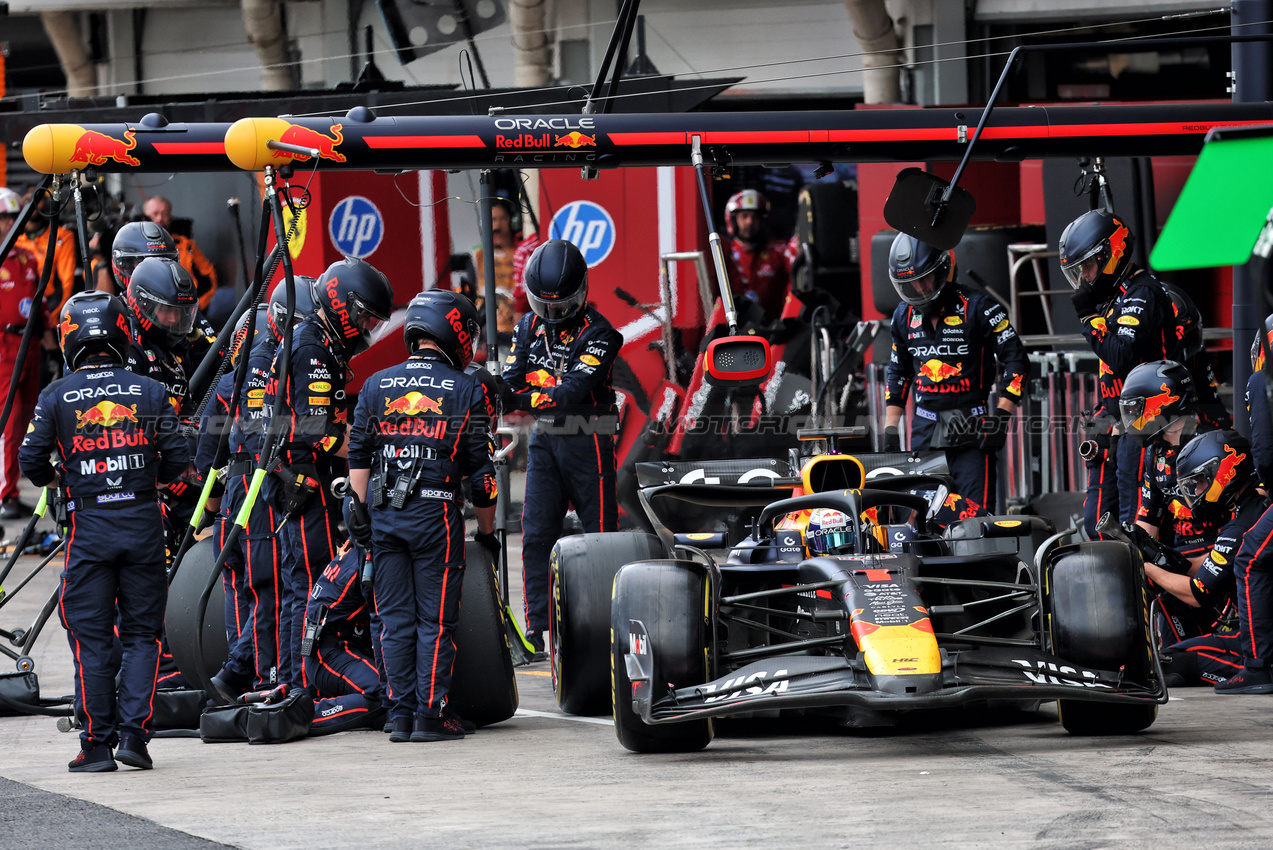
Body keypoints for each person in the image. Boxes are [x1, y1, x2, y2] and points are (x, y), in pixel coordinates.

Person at [19, 291, 189, 771]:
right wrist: (138, 479)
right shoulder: (150, 390)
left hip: (88, 528)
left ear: (70, 338)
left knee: (91, 638)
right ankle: (136, 740)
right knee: (142, 635)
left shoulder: (56, 396)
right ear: (121, 333)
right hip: (142, 523)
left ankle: (96, 746)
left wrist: (64, 479)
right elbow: (180, 461)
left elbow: (30, 463)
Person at [347, 289, 498, 742]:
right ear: (455, 332)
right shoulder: (467, 387)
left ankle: (400, 717)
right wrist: (487, 532)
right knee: (434, 622)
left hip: (384, 514)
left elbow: (358, 451)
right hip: (436, 516)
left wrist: (359, 510)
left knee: (393, 619)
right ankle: (430, 717)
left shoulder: (375, 383)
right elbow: (482, 475)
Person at [265, 259, 393, 691]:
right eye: (365, 317)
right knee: (309, 582)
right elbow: (318, 431)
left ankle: (293, 677)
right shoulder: (312, 347)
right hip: (300, 484)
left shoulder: (322, 342)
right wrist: (370, 451)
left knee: (304, 583)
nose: (367, 327)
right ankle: (301, 682)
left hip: (309, 480)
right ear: (343, 305)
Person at [497, 239, 622, 654]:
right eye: (544, 305)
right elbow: (509, 383)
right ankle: (536, 629)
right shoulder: (526, 327)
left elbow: (571, 391)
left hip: (590, 440)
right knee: (535, 535)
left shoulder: (603, 334)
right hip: (546, 442)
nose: (550, 315)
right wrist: (525, 395)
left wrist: (527, 396)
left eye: (560, 306)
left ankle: (610, 624)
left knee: (602, 537)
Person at [1060, 210, 1185, 537]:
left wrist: (1088, 318)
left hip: (1147, 421)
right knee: (1096, 523)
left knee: (1134, 523)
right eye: (1079, 271)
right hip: (1113, 418)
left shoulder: (1141, 292)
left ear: (1110, 255)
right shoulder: (1114, 297)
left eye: (1087, 267)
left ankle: (1148, 585)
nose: (1085, 279)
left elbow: (1118, 355)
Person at [883, 233, 1028, 514]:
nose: (919, 288)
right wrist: (890, 429)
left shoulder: (980, 307)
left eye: (925, 278)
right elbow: (898, 372)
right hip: (924, 432)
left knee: (976, 520)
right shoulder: (902, 316)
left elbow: (1016, 360)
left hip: (972, 429)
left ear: (943, 270)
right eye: (910, 283)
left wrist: (1000, 417)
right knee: (921, 519)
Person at [1157, 430, 1267, 687]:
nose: (1195, 491)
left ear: (1223, 471)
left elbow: (1197, 593)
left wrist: (1149, 569)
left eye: (1199, 481)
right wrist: (1169, 561)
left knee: (1169, 662)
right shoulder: (1255, 508)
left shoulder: (1240, 526)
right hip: (1260, 635)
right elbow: (1213, 563)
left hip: (1257, 645)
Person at [302, 540, 389, 736]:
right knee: (386, 699)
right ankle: (304, 712)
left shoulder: (354, 546)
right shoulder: (366, 559)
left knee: (395, 696)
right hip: (332, 652)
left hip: (343, 648)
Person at [0, 188, 46, 519]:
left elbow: (38, 302)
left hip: (29, 344)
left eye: (11, 217)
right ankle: (5, 495)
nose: (8, 223)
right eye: (3, 217)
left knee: (28, 417)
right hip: (2, 347)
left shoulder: (28, 257)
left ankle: (12, 490)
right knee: (9, 420)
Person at [723, 189, 790, 321]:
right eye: (744, 216)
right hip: (731, 328)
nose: (749, 222)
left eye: (755, 217)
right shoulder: (723, 252)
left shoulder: (780, 252)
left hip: (774, 330)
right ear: (732, 219)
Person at [143, 196, 219, 311]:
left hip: (183, 311)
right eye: (155, 214)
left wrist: (195, 309)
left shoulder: (185, 245)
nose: (159, 219)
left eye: (164, 214)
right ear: (144, 218)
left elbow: (210, 278)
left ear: (170, 217)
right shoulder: (132, 248)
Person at [16, 184, 77, 315]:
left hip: (50, 310)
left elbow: (66, 284)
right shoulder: (14, 240)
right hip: (18, 310)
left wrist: (53, 317)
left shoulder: (62, 236)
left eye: (38, 198)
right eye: (27, 199)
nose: (33, 203)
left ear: (46, 202)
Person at [469, 196, 518, 336]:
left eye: (502, 219)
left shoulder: (523, 252)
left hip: (515, 324)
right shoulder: (478, 255)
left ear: (512, 221)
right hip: (486, 327)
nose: (497, 225)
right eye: (493, 220)